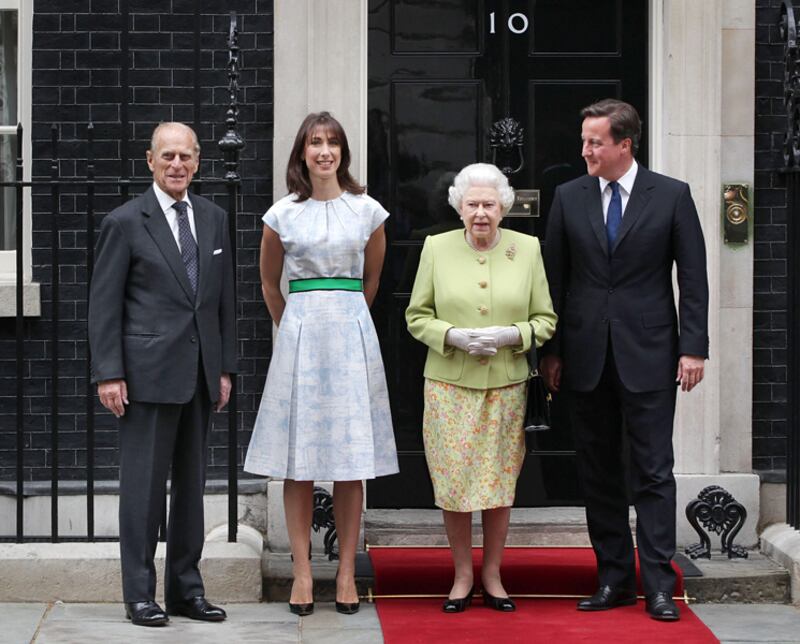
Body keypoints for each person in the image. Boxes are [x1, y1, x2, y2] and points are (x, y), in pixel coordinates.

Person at [540, 99, 709, 622]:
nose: (585, 151)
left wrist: (693, 347)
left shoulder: (672, 195)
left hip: (651, 354)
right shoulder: (569, 196)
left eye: (595, 142)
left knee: (654, 471)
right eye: (584, 141)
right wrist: (551, 350)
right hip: (585, 355)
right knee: (598, 471)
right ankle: (613, 579)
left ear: (624, 145)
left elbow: (693, 276)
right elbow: (554, 279)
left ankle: (658, 584)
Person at [243, 111, 399, 616]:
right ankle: (303, 573)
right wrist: (295, 325)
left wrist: (347, 317)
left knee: (351, 461)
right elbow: (269, 282)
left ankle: (347, 571)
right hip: (301, 337)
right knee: (299, 461)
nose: (324, 151)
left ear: (343, 153)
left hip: (351, 335)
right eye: (315, 142)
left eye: (332, 142)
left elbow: (371, 279)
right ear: (302, 152)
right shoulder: (282, 214)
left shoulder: (367, 211)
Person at [88, 122, 236, 627]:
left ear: (198, 162)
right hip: (145, 376)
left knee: (192, 490)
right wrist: (109, 373)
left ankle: (186, 591)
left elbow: (223, 301)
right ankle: (139, 595)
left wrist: (224, 368)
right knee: (144, 491)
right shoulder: (125, 222)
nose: (177, 165)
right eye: (168, 155)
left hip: (199, 375)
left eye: (186, 156)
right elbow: (103, 305)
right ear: (150, 161)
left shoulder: (213, 218)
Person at [405, 163, 557, 613]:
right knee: (454, 481)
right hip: (449, 384)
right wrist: (453, 336)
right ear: (459, 207)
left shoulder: (526, 249)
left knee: (498, 483)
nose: (481, 213)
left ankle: (492, 573)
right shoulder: (436, 248)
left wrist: (512, 335)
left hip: (506, 385)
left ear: (503, 207)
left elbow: (545, 319)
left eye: (489, 204)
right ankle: (462, 575)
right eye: (472, 204)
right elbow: (416, 316)